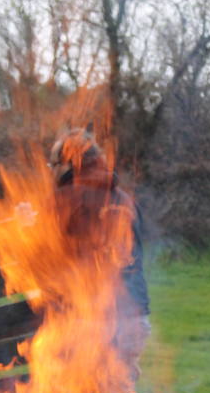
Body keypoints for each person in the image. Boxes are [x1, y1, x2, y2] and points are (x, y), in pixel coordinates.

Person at [48, 129, 150, 378]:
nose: (50, 171)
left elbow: (43, 257)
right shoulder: (124, 198)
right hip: (133, 317)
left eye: (52, 165)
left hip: (87, 320)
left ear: (66, 164)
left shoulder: (63, 201)